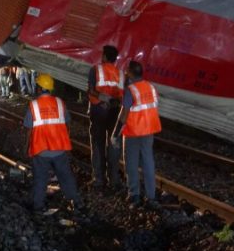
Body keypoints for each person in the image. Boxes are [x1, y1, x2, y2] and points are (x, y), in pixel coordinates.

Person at [24, 73, 84, 213]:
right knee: (65, 175)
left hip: (41, 149)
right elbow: (67, 124)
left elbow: (29, 129)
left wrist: (27, 146)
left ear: (39, 88)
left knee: (40, 178)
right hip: (59, 148)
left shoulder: (33, 105)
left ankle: (38, 206)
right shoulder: (59, 103)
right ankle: (76, 202)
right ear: (50, 88)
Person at [112, 60, 162, 207]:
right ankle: (151, 196)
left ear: (131, 72)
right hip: (149, 130)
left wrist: (115, 134)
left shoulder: (131, 90)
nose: (125, 72)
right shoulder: (151, 87)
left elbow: (124, 115)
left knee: (131, 163)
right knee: (148, 162)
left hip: (134, 131)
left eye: (127, 70)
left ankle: (134, 195)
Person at [87, 45, 124, 190]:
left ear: (104, 57)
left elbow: (91, 90)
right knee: (113, 144)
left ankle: (99, 179)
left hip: (98, 110)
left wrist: (103, 99)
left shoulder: (96, 70)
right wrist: (111, 101)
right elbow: (122, 96)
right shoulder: (120, 74)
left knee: (97, 144)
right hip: (114, 112)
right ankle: (114, 180)